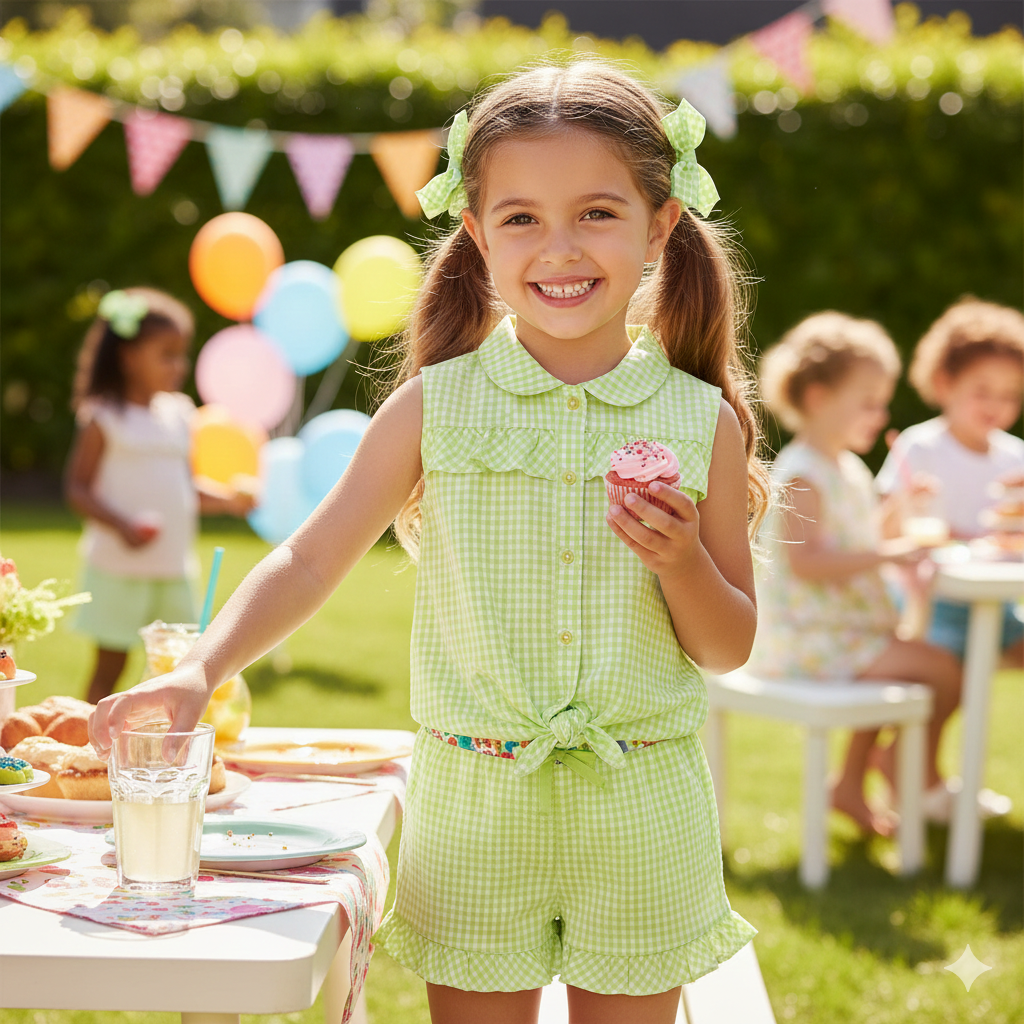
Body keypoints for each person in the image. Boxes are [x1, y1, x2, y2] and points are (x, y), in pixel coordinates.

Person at [91, 63, 769, 1023]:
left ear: (661, 226)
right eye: (522, 217)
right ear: (477, 234)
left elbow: (728, 643)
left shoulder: (700, 421)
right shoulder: (436, 406)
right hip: (476, 806)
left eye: (598, 213)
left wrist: (681, 562)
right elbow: (312, 556)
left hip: (641, 809)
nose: (559, 247)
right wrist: (201, 670)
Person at [750, 312, 962, 836]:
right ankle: (896, 766)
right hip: (811, 639)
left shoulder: (845, 466)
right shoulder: (803, 475)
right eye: (868, 402)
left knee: (921, 668)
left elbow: (861, 537)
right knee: (944, 673)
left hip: (844, 633)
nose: (880, 413)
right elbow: (809, 562)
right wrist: (892, 555)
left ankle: (849, 783)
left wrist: (902, 508)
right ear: (820, 398)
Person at [66, 287, 253, 705]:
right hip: (119, 567)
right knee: (109, 667)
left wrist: (227, 499)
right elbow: (77, 487)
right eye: (166, 354)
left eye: (180, 353)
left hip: (173, 569)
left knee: (180, 668)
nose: (178, 365)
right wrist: (122, 525)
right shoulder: (104, 416)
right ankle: (88, 739)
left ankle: (166, 749)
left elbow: (185, 487)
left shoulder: (180, 413)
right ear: (129, 356)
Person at [877, 298, 1024, 667]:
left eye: (1010, 395)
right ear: (945, 384)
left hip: (997, 603)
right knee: (939, 686)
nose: (997, 405)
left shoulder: (1015, 456)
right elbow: (881, 531)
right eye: (982, 391)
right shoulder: (921, 447)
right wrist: (905, 502)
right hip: (931, 604)